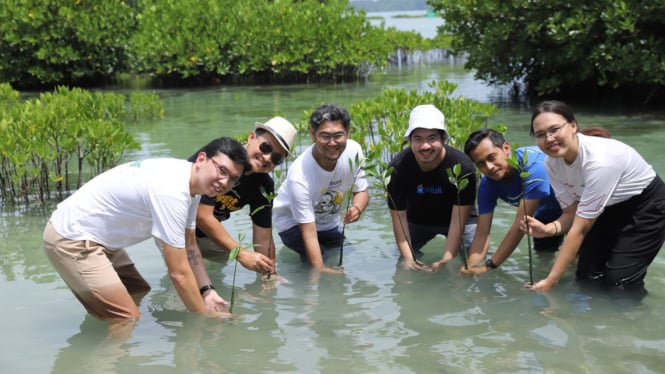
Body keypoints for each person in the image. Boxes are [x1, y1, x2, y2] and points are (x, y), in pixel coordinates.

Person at [43, 137, 251, 322]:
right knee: (126, 319)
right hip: (73, 238)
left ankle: (105, 318)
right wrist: (205, 319)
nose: (224, 182)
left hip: (101, 240)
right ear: (202, 159)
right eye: (221, 170)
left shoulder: (193, 185)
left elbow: (190, 244)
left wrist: (208, 291)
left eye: (233, 179)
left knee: (138, 291)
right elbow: (178, 273)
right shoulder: (172, 191)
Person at [523, 100, 665, 295]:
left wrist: (551, 279)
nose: (549, 139)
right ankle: (599, 323)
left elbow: (579, 229)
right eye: (540, 135)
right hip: (606, 208)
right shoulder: (552, 163)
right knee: (587, 277)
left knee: (619, 282)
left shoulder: (599, 161)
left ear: (573, 126)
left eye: (555, 129)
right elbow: (570, 213)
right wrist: (547, 229)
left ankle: (634, 319)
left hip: (646, 206)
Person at [189, 117, 297, 277]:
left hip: (203, 232)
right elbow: (202, 216)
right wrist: (242, 254)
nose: (267, 158)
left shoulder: (263, 186)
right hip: (176, 219)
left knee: (222, 255)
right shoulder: (223, 153)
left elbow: (264, 237)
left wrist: (270, 274)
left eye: (276, 158)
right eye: (266, 147)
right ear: (251, 137)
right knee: (187, 279)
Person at [272, 104, 369, 274]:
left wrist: (357, 208)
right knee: (320, 262)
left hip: (327, 223)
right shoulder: (300, 175)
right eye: (325, 136)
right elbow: (308, 233)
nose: (332, 143)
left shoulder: (354, 151)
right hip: (292, 224)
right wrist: (321, 269)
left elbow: (361, 190)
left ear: (347, 132)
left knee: (346, 253)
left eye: (338, 135)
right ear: (313, 135)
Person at [386, 104, 479, 271]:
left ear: (443, 138)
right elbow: (399, 219)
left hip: (459, 220)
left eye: (432, 138)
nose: (425, 146)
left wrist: (446, 260)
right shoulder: (397, 168)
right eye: (418, 139)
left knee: (472, 263)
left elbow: (458, 222)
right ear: (409, 141)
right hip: (417, 220)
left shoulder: (463, 167)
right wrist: (409, 259)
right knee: (403, 264)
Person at [461, 128, 563, 274]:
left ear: (506, 148)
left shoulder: (533, 167)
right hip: (545, 215)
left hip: (577, 209)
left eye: (491, 157)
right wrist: (472, 267)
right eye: (481, 164)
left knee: (579, 264)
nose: (489, 167)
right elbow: (482, 233)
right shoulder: (487, 185)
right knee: (544, 260)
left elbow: (520, 223)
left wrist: (490, 266)